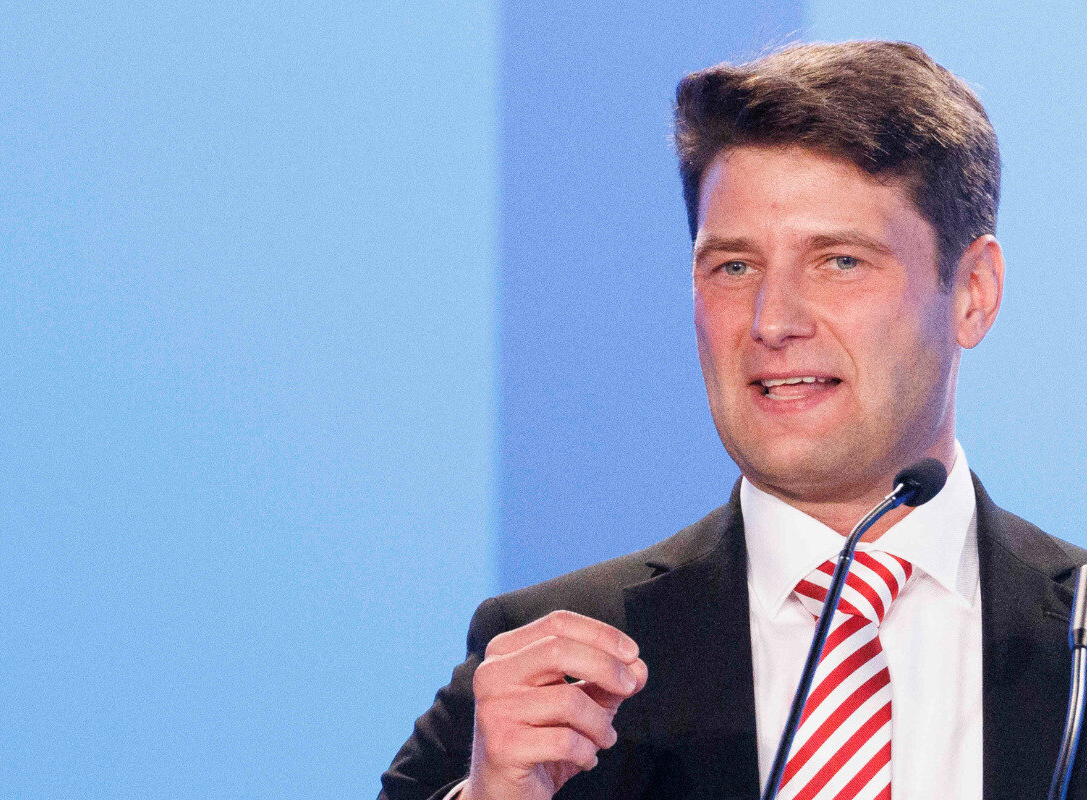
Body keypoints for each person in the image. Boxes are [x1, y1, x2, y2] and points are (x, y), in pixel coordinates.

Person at [380, 40, 1087, 800]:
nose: (772, 321)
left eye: (840, 261)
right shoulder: (548, 668)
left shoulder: (1077, 633)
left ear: (974, 292)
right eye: (734, 267)